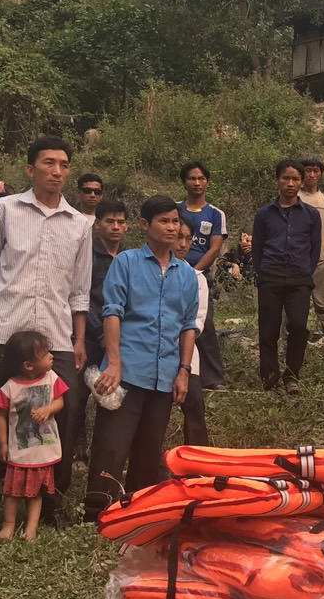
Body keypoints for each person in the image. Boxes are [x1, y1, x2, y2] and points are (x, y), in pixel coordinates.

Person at [0, 135, 91, 535]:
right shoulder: (4, 209)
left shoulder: (79, 224)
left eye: (64, 164)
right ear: (30, 169)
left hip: (55, 336)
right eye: (48, 163)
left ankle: (51, 498)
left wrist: (77, 340)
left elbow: (80, 290)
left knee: (65, 414)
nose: (57, 171)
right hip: (1, 329)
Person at [83, 196, 200, 522]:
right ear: (145, 226)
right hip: (128, 371)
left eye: (175, 221)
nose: (172, 227)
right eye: (164, 221)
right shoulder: (127, 263)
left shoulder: (186, 275)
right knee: (112, 445)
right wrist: (115, 363)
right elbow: (113, 313)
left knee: (150, 448)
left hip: (165, 374)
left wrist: (184, 371)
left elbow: (188, 326)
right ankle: (97, 511)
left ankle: (137, 509)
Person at [251, 161, 320, 393]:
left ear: (301, 182)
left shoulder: (311, 214)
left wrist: (305, 271)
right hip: (271, 275)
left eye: (295, 179)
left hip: (299, 277)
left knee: (299, 326)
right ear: (277, 180)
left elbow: (315, 247)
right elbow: (258, 247)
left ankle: (292, 376)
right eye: (285, 178)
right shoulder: (264, 214)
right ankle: (270, 379)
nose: (290, 184)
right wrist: (263, 272)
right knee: (268, 330)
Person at [0, 330, 67, 541]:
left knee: (36, 493)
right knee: (12, 492)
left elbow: (60, 401)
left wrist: (49, 409)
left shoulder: (52, 378)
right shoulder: (10, 388)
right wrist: (3, 444)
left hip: (42, 448)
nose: (51, 356)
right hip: (20, 448)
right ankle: (8, 526)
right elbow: (0, 416)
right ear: (28, 365)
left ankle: (31, 528)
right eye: (45, 354)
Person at [72, 197, 127, 464]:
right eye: (110, 221)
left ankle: (107, 449)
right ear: (98, 225)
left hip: (118, 338)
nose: (115, 227)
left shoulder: (130, 258)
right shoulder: (88, 256)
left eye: (120, 221)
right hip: (90, 334)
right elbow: (81, 296)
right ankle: (78, 445)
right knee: (80, 393)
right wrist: (100, 333)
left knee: (114, 392)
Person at [177, 161, 229, 391]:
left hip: (200, 275)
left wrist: (195, 272)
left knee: (204, 324)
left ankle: (213, 378)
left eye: (201, 178)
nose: (196, 183)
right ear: (184, 181)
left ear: (207, 181)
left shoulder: (215, 214)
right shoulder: (174, 210)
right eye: (191, 178)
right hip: (172, 273)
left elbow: (214, 248)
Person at [173, 221, 210, 447]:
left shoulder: (196, 278)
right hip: (152, 352)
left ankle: (198, 463)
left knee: (194, 405)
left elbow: (197, 321)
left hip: (185, 352)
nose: (183, 244)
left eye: (188, 239)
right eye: (179, 237)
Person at [299, 154, 324, 349]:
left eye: (316, 171)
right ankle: (291, 350)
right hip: (296, 265)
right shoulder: (293, 197)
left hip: (321, 264)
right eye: (308, 170)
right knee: (294, 311)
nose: (312, 175)